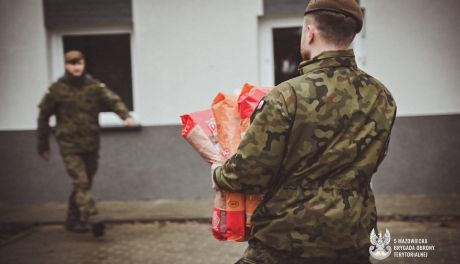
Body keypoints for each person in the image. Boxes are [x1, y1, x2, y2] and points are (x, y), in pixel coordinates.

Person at [212, 0, 397, 263]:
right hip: (354, 239)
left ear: (310, 32)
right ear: (352, 35)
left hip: (287, 243)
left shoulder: (287, 95)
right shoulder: (382, 97)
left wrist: (218, 173)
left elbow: (249, 174)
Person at [37, 50, 135, 236]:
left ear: (83, 64)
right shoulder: (57, 90)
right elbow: (43, 117)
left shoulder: (93, 86)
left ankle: (71, 220)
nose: (76, 67)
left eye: (79, 63)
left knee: (84, 183)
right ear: (66, 65)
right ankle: (92, 218)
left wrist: (125, 115)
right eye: (72, 63)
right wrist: (42, 145)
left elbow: (112, 100)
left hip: (91, 143)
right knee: (81, 182)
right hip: (69, 145)